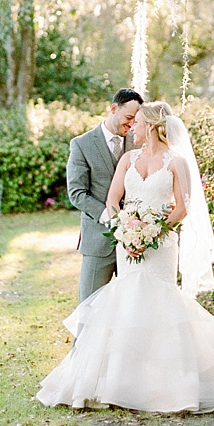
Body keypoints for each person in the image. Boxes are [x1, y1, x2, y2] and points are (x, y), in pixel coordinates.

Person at [38, 101, 214, 413]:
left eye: (138, 123)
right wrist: (124, 231)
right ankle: (120, 384)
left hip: (161, 245)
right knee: (127, 305)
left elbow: (182, 207)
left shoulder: (176, 162)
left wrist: (152, 233)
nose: (133, 129)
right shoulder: (128, 158)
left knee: (161, 304)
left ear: (152, 127)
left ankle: (170, 384)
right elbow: (114, 200)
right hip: (126, 244)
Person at [66, 88, 144, 302]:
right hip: (98, 240)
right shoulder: (81, 144)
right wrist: (112, 219)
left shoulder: (138, 142)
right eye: (128, 118)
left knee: (132, 307)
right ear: (113, 109)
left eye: (135, 121)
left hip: (135, 242)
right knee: (89, 307)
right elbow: (77, 193)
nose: (130, 125)